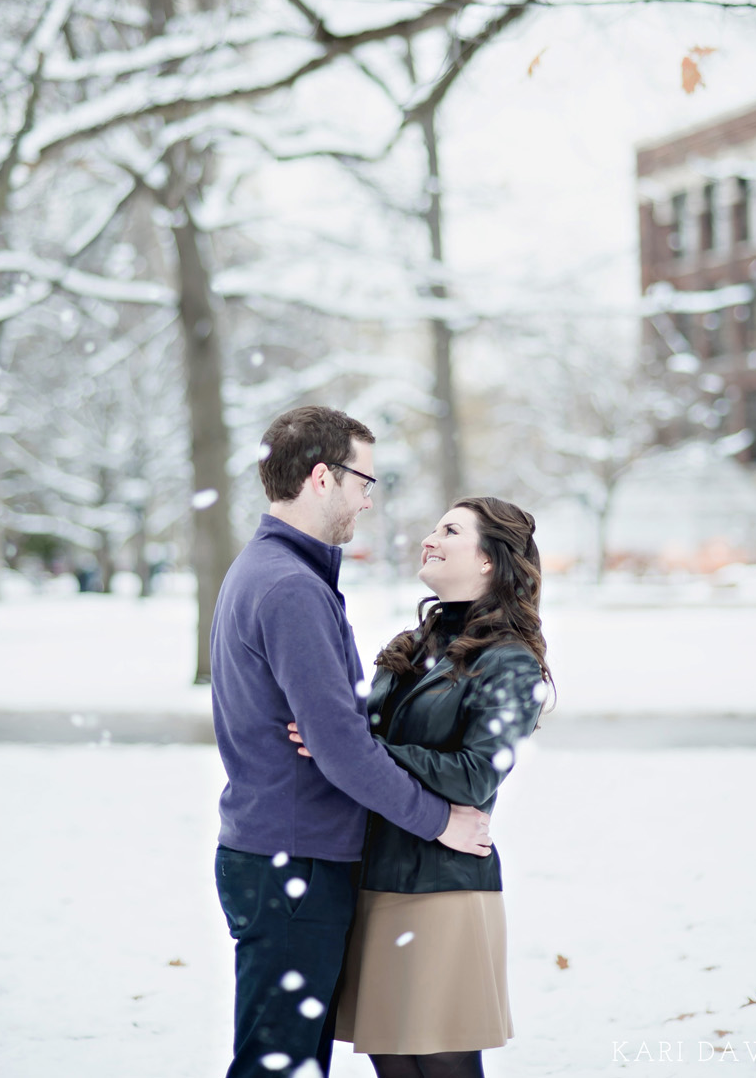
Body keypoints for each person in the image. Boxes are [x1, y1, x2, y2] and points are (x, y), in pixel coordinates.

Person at [210, 407, 492, 1078]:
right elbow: (338, 751)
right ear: (320, 477)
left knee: (289, 1061)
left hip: (283, 855)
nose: (368, 497)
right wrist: (441, 820)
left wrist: (348, 726)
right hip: (294, 863)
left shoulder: (271, 569)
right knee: (277, 1066)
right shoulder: (289, 587)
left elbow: (334, 733)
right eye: (364, 479)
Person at [290, 495, 553, 1078]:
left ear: (489, 560)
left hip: (445, 888)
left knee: (442, 1061)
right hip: (376, 880)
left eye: (450, 530)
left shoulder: (509, 661)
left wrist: (361, 750)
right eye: (433, 527)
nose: (429, 538)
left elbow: (476, 773)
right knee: (393, 1060)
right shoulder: (413, 646)